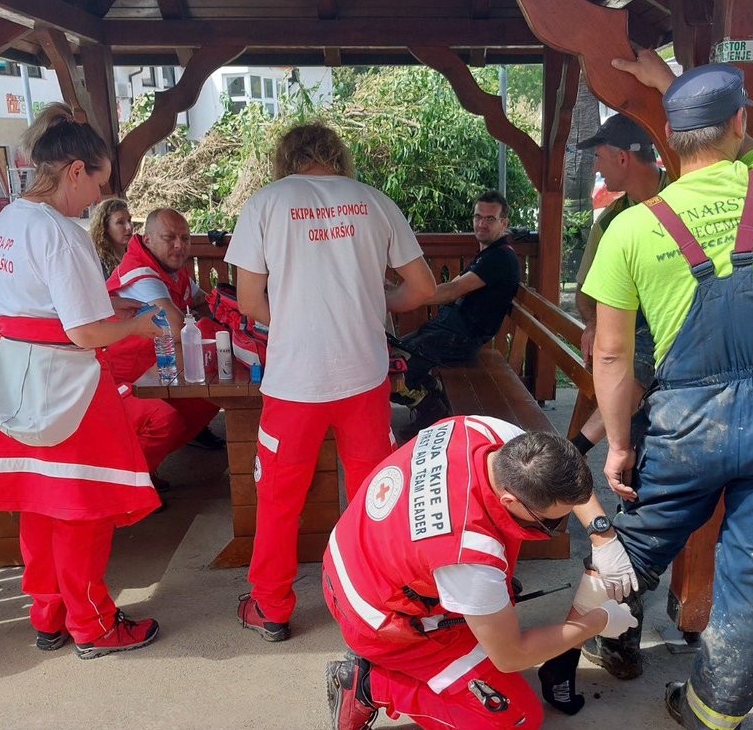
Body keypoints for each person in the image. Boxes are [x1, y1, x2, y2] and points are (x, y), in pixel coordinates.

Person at [582, 51, 753, 730]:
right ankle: (714, 720)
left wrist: (620, 444)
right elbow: (746, 146)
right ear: (739, 122)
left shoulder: (631, 227)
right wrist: (673, 85)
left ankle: (598, 645)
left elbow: (610, 355)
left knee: (632, 545)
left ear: (667, 135)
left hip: (689, 422)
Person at [0, 104, 163, 659]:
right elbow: (86, 331)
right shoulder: (62, 234)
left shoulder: (8, 220)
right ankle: (94, 625)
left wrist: (110, 306)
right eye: (97, 182)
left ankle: (48, 616)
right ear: (74, 171)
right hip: (65, 384)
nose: (98, 197)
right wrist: (138, 324)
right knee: (81, 507)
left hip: (14, 374)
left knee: (39, 504)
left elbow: (36, 304)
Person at [225, 122, 436, 641]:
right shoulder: (374, 202)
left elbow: (249, 301)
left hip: (294, 381)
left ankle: (271, 606)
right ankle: (378, 600)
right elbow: (422, 288)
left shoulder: (266, 204)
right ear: (337, 156)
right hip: (363, 375)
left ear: (288, 158)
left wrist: (297, 320)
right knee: (374, 495)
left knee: (279, 497)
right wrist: (372, 304)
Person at [323, 417, 639, 730]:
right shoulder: (468, 554)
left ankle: (459, 622)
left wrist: (603, 536)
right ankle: (371, 685)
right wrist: (597, 622)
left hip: (357, 551)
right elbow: (511, 656)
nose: (557, 523)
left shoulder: (493, 436)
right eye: (552, 519)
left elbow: (565, 476)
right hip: (379, 620)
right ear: (510, 501)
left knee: (493, 601)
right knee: (518, 723)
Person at [571, 114, 669, 454]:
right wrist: (593, 322)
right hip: (636, 337)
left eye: (599, 157)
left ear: (623, 158)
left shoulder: (683, 196)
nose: (597, 168)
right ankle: (579, 449)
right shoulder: (610, 220)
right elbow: (585, 290)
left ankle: (577, 449)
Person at [390, 191, 521, 435]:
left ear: (504, 223)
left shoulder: (500, 258)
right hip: (449, 331)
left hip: (461, 340)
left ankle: (434, 414)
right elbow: (453, 286)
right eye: (478, 217)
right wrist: (399, 291)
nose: (481, 224)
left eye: (490, 219)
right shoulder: (490, 253)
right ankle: (435, 401)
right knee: (393, 358)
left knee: (396, 372)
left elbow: (452, 291)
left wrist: (401, 298)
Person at [106, 206, 223, 453]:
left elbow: (208, 304)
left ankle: (184, 440)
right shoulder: (141, 272)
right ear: (148, 240)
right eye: (169, 237)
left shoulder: (171, 270)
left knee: (215, 391)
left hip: (157, 372)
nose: (179, 245)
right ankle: (135, 471)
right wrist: (195, 319)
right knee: (165, 421)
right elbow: (178, 327)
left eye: (185, 238)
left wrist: (196, 318)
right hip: (121, 383)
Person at [89, 196, 133, 278]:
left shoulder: (136, 253)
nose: (129, 227)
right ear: (105, 227)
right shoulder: (98, 262)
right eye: (120, 222)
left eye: (129, 220)